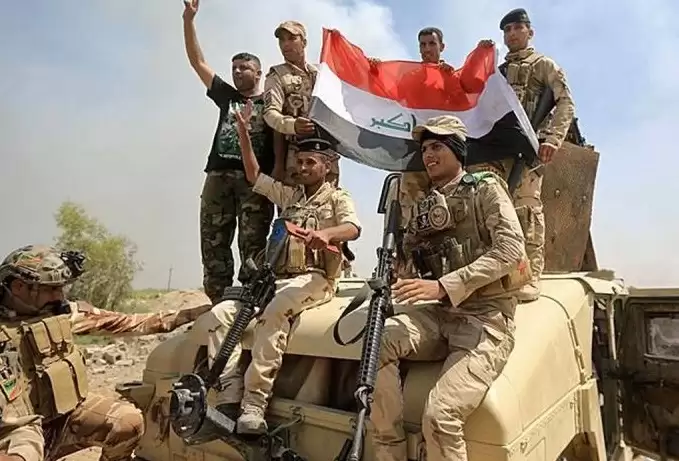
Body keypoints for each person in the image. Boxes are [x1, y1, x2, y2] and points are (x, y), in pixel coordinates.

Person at [188, 100, 361, 435]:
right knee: (221, 314)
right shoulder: (290, 196)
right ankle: (229, 392)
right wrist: (243, 132)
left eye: (311, 162)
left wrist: (325, 234)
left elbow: (353, 228)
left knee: (274, 314)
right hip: (276, 278)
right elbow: (254, 176)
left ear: (326, 166)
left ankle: (254, 403)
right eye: (300, 162)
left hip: (316, 278)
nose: (303, 167)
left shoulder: (337, 198)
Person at [369, 115, 531, 461]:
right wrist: (394, 269)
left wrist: (444, 286)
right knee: (376, 345)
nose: (428, 155)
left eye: (437, 147)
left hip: (485, 318)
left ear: (457, 150)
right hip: (440, 316)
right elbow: (412, 267)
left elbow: (510, 250)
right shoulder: (425, 206)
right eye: (425, 149)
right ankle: (389, 451)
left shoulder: (485, 188)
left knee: (440, 417)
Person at [0, 245, 212, 461]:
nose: (59, 295)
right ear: (18, 286)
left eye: (61, 288)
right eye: (51, 289)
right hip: (16, 429)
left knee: (128, 423)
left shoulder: (64, 314)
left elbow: (129, 323)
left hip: (64, 416)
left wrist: (193, 314)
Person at [469, 8, 576, 301]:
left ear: (530, 31)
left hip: (529, 150)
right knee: (494, 212)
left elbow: (565, 102)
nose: (512, 34)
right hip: (498, 151)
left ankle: (530, 275)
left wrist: (552, 139)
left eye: (518, 27)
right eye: (507, 30)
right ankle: (499, 274)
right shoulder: (498, 73)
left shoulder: (543, 65)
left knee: (526, 210)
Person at [182, 0, 282, 303]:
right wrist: (189, 20)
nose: (238, 72)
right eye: (234, 68)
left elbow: (282, 140)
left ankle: (251, 300)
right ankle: (218, 300)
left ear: (258, 73)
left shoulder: (271, 104)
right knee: (213, 241)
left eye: (244, 68)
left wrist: (276, 178)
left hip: (254, 181)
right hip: (218, 177)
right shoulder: (227, 96)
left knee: (253, 243)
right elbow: (197, 62)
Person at [261, 20, 341, 189]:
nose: (286, 44)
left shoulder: (321, 74)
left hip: (326, 153)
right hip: (297, 155)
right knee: (297, 202)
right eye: (282, 40)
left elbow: (347, 91)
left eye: (292, 38)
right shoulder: (277, 76)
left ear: (304, 42)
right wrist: (293, 125)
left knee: (327, 202)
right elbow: (270, 113)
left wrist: (368, 68)